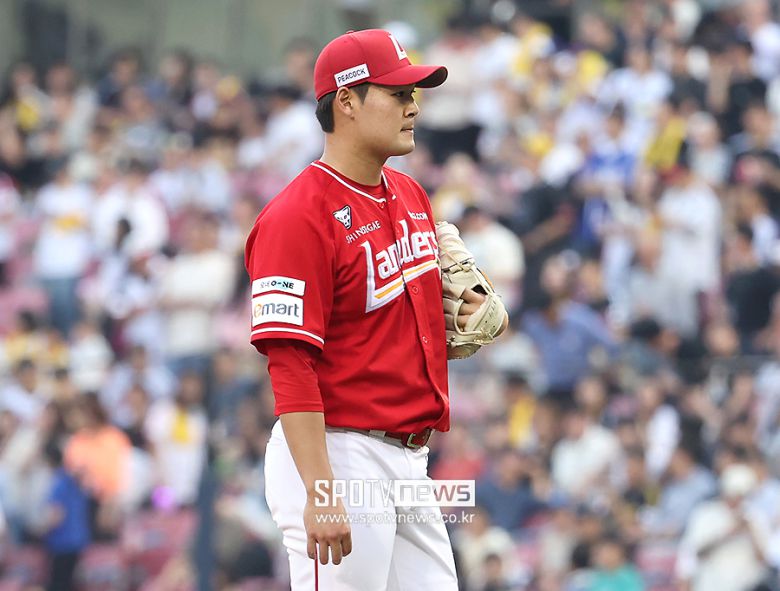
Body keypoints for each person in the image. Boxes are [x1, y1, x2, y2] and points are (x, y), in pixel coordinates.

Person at [245, 28, 499, 590]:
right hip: (338, 451)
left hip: (410, 458)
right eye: (398, 93)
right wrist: (320, 490)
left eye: (414, 94)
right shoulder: (296, 217)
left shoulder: (410, 195)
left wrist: (455, 317)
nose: (414, 107)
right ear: (347, 101)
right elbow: (289, 362)